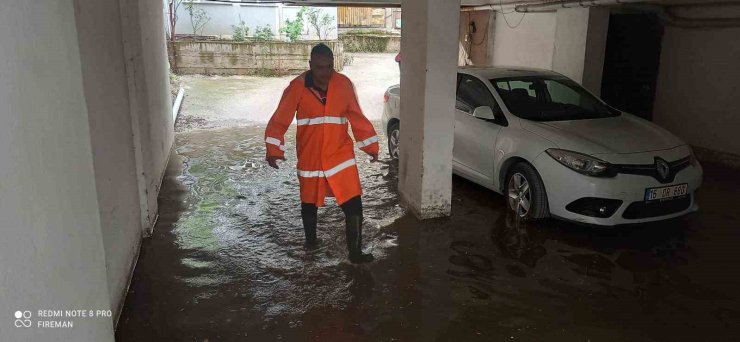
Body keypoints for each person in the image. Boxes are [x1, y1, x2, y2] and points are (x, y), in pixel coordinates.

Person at [264, 43, 379, 264]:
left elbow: (357, 116)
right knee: (309, 202)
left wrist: (371, 147)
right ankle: (311, 243)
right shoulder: (296, 87)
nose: (324, 73)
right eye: (319, 67)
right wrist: (273, 149)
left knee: (354, 203)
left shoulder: (344, 84)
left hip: (340, 157)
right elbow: (280, 119)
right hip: (311, 156)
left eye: (328, 67)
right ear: (310, 65)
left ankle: (355, 253)